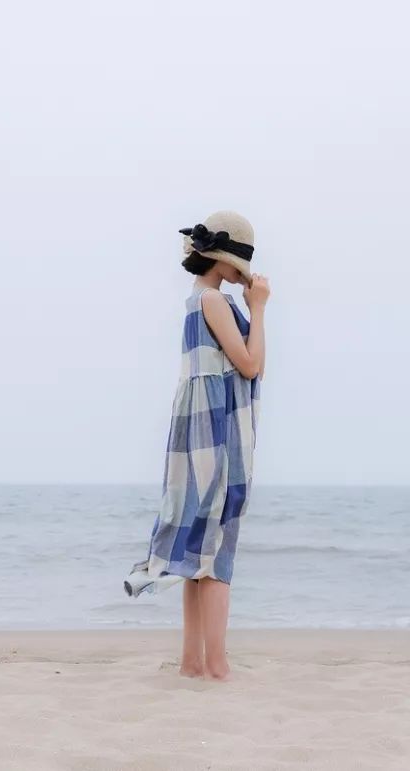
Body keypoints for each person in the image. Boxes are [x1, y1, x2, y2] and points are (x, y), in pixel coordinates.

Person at [124, 210, 269, 681]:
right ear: (223, 259)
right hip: (217, 430)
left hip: (197, 429)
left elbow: (242, 364)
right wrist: (259, 309)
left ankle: (192, 664)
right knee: (218, 551)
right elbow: (251, 366)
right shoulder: (213, 301)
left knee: (197, 557)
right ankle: (218, 666)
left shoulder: (196, 300)